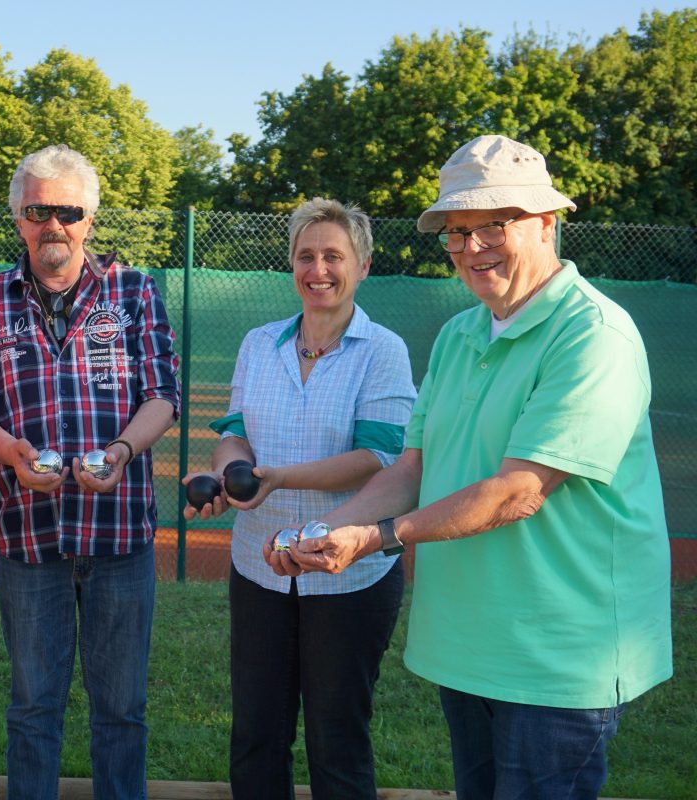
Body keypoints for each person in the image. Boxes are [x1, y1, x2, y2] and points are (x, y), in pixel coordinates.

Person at [269, 135, 673, 800]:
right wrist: (324, 529)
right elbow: (411, 468)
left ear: (546, 224)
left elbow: (519, 491)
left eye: (493, 223)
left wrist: (377, 537)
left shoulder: (593, 334)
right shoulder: (460, 334)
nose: (471, 245)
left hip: (560, 659)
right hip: (469, 646)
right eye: (456, 231)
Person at [0, 144, 180, 800]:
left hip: (118, 536)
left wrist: (122, 453)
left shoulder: (134, 292)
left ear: (89, 219)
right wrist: (14, 456)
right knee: (32, 710)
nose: (53, 223)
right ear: (19, 218)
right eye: (38, 209)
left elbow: (161, 395)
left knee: (121, 711)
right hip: (28, 537)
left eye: (68, 210)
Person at [183, 198, 415, 798]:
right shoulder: (260, 342)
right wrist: (230, 476)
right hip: (259, 566)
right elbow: (232, 435)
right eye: (306, 255)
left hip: (348, 573)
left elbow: (377, 459)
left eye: (334, 255)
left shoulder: (384, 350)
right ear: (291, 264)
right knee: (257, 735)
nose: (319, 269)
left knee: (337, 741)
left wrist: (279, 478)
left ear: (362, 265)